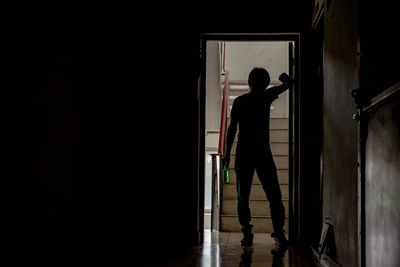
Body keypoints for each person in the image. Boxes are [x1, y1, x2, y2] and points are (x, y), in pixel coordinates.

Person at [222, 67, 294, 249]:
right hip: (259, 153)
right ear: (257, 84)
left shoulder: (242, 101)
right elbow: (287, 85)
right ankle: (276, 233)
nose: (264, 87)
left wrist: (227, 153)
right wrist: (285, 78)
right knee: (271, 195)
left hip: (247, 153)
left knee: (245, 196)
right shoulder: (265, 96)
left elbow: (232, 130)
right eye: (263, 84)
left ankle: (250, 232)